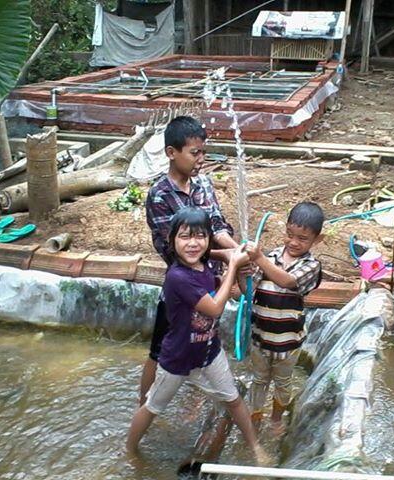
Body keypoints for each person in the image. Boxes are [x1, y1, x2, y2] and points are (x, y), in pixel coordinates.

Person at [126, 208, 267, 463]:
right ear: (172, 241)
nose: (193, 243)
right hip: (177, 360)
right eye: (184, 237)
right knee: (152, 407)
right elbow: (214, 308)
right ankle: (130, 451)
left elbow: (224, 290)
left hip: (209, 353)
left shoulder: (202, 267)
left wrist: (234, 271)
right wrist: (232, 265)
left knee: (233, 399)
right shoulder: (177, 277)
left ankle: (255, 447)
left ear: (209, 240)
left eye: (200, 236)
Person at [141, 116, 239, 405]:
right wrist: (230, 257)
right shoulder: (159, 196)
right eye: (194, 152)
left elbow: (218, 226)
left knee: (205, 343)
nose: (200, 159)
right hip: (180, 291)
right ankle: (143, 405)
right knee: (159, 352)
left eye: (203, 152)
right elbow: (178, 252)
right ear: (172, 153)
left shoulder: (204, 185)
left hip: (209, 282)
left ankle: (193, 404)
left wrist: (237, 249)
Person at [241, 202, 323, 428]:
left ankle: (276, 419)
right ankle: (255, 418)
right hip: (260, 338)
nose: (294, 242)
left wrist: (258, 259)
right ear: (285, 229)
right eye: (290, 234)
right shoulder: (272, 256)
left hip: (288, 343)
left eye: (302, 238)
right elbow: (247, 291)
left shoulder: (311, 265)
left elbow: (287, 281)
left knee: (283, 383)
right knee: (258, 380)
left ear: (317, 239)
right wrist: (243, 273)